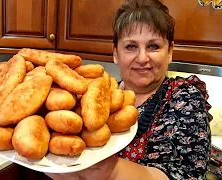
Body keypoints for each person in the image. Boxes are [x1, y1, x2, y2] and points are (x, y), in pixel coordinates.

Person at [46, 0, 213, 179]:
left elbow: (187, 175)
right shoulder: (98, 99)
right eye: (131, 46)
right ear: (116, 53)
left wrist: (112, 171)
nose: (142, 58)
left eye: (153, 46)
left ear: (170, 51)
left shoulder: (184, 99)